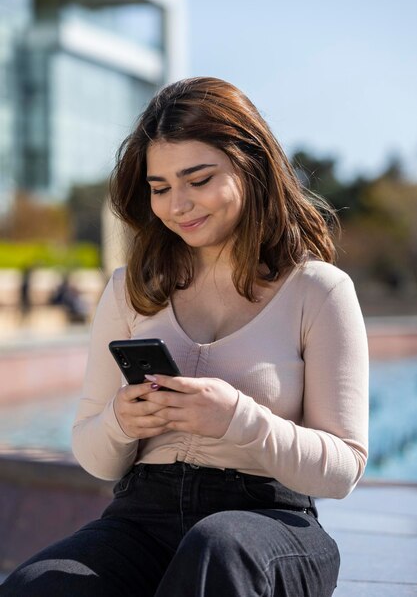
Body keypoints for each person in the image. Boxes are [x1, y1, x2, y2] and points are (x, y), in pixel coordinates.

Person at [1, 77, 368, 597]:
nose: (178, 206)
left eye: (198, 179)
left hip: (267, 523)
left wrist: (238, 420)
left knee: (217, 549)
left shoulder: (318, 290)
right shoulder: (131, 289)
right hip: (141, 517)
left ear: (251, 165)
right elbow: (95, 455)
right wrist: (120, 421)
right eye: (160, 187)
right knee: (36, 586)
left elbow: (343, 469)